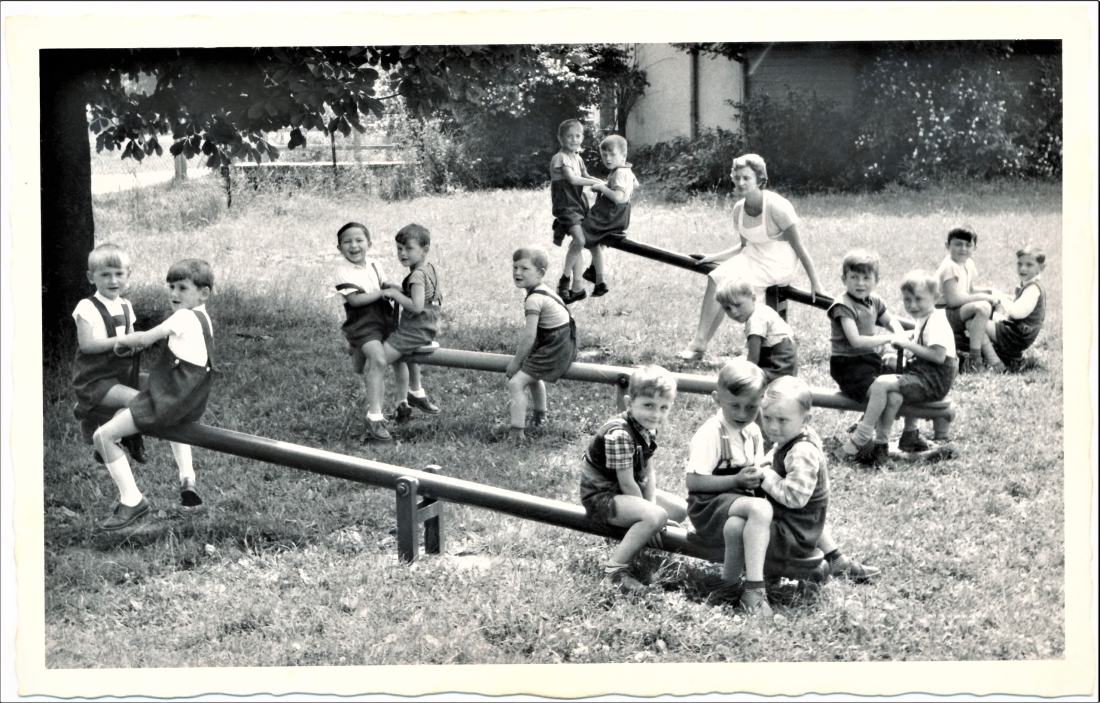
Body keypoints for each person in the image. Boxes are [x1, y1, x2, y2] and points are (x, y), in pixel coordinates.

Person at [91, 259, 216, 531]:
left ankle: (132, 500)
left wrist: (120, 343)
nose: (174, 294)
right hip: (188, 400)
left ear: (203, 293)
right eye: (171, 287)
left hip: (168, 401)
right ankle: (187, 477)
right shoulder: (204, 318)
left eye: (182, 288)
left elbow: (146, 338)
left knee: (102, 436)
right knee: (130, 400)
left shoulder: (183, 317)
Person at [678, 154, 825, 360]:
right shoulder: (739, 209)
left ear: (760, 179)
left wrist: (815, 282)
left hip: (779, 263)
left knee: (737, 290)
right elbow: (744, 246)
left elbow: (799, 246)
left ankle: (756, 351)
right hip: (752, 257)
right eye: (737, 177)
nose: (741, 182)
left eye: (746, 178)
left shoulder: (777, 206)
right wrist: (713, 257)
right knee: (716, 278)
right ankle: (699, 343)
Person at [757, 376, 880, 584]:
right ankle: (837, 560)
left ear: (805, 420)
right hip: (808, 519)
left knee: (750, 524)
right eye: (767, 418)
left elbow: (794, 498)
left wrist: (765, 476)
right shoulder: (794, 436)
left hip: (795, 528)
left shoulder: (801, 451)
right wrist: (765, 462)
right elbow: (777, 454)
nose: (773, 427)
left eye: (782, 420)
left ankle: (773, 570)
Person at [579, 365, 688, 593]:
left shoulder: (648, 427)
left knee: (678, 510)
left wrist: (653, 509)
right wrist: (653, 515)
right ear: (630, 403)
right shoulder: (620, 434)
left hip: (624, 492)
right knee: (656, 516)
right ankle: (615, 571)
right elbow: (627, 482)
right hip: (603, 496)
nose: (656, 414)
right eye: (648, 405)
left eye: (663, 407)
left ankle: (640, 533)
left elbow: (648, 472)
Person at [836, 270, 957, 466]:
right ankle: (885, 446)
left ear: (935, 298)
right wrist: (907, 337)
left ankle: (861, 434)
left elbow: (938, 356)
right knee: (893, 392)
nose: (913, 305)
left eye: (919, 299)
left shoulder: (937, 321)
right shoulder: (925, 317)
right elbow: (920, 340)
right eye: (907, 300)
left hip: (934, 380)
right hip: (924, 373)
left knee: (882, 382)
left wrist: (907, 344)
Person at [685, 359, 774, 615]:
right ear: (717, 399)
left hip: (735, 507)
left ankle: (728, 587)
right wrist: (735, 481)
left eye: (752, 407)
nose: (743, 414)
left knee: (737, 526)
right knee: (760, 510)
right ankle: (756, 589)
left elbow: (756, 473)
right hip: (707, 505)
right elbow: (694, 482)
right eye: (735, 405)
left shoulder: (754, 431)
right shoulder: (710, 433)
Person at [330, 221, 410, 442]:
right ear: (339, 248)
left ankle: (402, 403)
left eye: (359, 240)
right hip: (362, 322)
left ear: (369, 243)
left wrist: (402, 289)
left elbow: (384, 285)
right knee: (378, 360)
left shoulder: (374, 263)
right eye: (347, 242)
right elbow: (354, 300)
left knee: (401, 358)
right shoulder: (342, 270)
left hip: (385, 317)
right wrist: (381, 294)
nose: (353, 246)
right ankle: (374, 418)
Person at [70, 243, 146, 464]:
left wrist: (139, 343)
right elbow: (87, 346)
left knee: (156, 392)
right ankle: (113, 438)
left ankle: (107, 438)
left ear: (128, 275)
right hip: (95, 378)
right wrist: (121, 341)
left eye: (119, 274)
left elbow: (132, 339)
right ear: (91, 277)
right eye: (105, 275)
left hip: (120, 373)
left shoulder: (126, 305)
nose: (113, 281)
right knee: (139, 401)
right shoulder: (87, 307)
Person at [369, 223, 442, 442]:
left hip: (415, 329)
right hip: (426, 327)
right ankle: (412, 395)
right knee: (399, 357)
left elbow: (417, 306)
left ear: (424, 249)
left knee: (378, 361)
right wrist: (396, 289)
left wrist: (394, 294)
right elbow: (419, 296)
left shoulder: (416, 276)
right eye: (399, 248)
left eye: (408, 249)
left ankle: (374, 416)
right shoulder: (427, 269)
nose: (402, 253)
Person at [505, 247, 578, 440]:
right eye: (515, 267)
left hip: (555, 345)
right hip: (559, 341)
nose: (517, 273)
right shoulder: (542, 291)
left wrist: (516, 362)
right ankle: (540, 418)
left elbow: (529, 336)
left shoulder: (535, 299)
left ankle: (517, 432)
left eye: (524, 268)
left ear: (541, 273)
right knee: (533, 377)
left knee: (516, 383)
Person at [827, 249, 907, 401]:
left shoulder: (874, 300)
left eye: (866, 278)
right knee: (881, 393)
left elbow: (889, 320)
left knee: (898, 385)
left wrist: (900, 333)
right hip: (847, 364)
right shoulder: (843, 306)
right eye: (854, 277)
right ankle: (867, 425)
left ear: (876, 280)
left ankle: (869, 421)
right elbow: (856, 341)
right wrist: (889, 338)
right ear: (844, 279)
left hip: (867, 359)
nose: (860, 283)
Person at [575, 134, 641, 300]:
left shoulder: (619, 173)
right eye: (604, 155)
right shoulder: (626, 170)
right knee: (600, 238)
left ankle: (600, 279)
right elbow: (635, 184)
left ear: (623, 156)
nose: (608, 159)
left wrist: (602, 188)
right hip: (621, 215)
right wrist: (610, 185)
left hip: (610, 214)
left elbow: (618, 197)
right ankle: (592, 269)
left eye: (612, 155)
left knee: (586, 234)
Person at [935, 225, 1004, 373]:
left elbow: (969, 290)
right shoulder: (950, 267)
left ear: (975, 248)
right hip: (943, 314)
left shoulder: (968, 263)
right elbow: (954, 300)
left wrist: (991, 292)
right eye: (958, 244)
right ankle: (975, 357)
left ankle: (997, 350)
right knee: (983, 307)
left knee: (978, 317)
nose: (963, 249)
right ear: (947, 246)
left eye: (968, 245)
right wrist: (984, 297)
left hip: (957, 311)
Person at [550, 119, 605, 304]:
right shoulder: (560, 158)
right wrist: (594, 184)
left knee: (584, 241)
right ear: (560, 138)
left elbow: (586, 176)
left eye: (578, 135)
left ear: (582, 137)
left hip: (579, 204)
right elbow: (573, 180)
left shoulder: (577, 158)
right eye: (569, 136)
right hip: (565, 204)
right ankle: (564, 280)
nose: (574, 139)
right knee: (580, 240)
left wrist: (605, 184)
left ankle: (578, 287)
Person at [715, 277, 799, 383]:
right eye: (727, 308)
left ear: (753, 298)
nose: (734, 312)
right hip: (787, 367)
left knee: (735, 379)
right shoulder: (761, 309)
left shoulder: (756, 320)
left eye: (737, 305)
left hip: (777, 370)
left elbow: (753, 361)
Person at [987, 245, 1047, 371]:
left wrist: (1001, 297)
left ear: (1041, 268)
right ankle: (997, 350)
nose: (1023, 268)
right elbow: (1016, 303)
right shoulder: (1028, 284)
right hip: (1017, 330)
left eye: (1029, 265)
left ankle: (992, 358)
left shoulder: (1033, 289)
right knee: (990, 311)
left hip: (1017, 336)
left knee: (977, 323)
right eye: (1019, 264)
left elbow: (1016, 312)